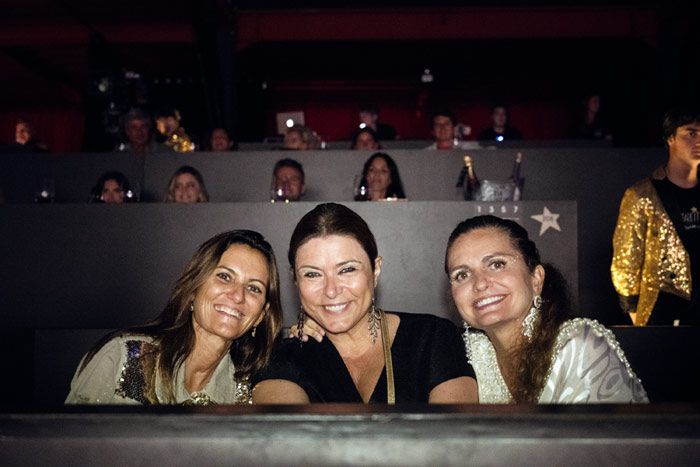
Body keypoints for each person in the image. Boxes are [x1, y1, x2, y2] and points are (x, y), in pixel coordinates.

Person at [252, 203, 478, 404]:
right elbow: (286, 444)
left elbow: (454, 442)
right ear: (295, 280)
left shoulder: (431, 337)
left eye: (347, 270)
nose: (331, 290)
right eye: (312, 274)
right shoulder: (284, 355)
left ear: (375, 270)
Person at [65, 229, 283, 404]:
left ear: (260, 316)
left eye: (254, 288)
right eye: (224, 276)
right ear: (193, 289)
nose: (237, 296)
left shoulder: (245, 395)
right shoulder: (124, 357)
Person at [446, 215, 648, 403]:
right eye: (461, 275)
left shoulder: (579, 346)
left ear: (536, 279)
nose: (479, 283)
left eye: (497, 264)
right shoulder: (464, 357)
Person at [611, 105, 699, 326]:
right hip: (663, 309)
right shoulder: (642, 195)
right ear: (670, 138)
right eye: (691, 133)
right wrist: (634, 310)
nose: (698, 141)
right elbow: (626, 260)